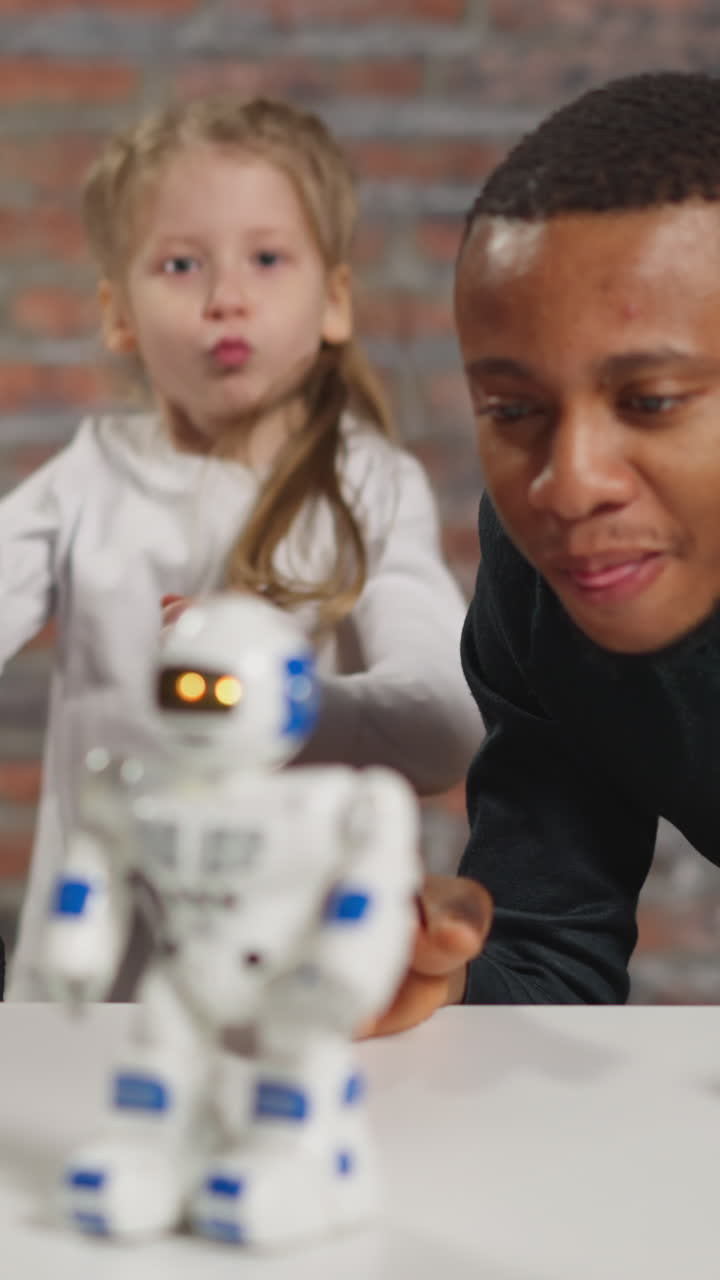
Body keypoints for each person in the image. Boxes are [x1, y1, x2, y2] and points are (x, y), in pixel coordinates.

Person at [0, 95, 481, 1001]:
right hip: (91, 992)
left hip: (296, 994)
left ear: (334, 299)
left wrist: (266, 704)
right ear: (118, 315)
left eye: (267, 258)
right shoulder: (85, 481)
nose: (227, 296)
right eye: (181, 264)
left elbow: (446, 721)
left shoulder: (370, 489)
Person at [370, 68, 720, 1027]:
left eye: (650, 401)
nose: (567, 485)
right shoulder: (545, 588)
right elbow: (548, 954)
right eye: (514, 410)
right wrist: (433, 983)